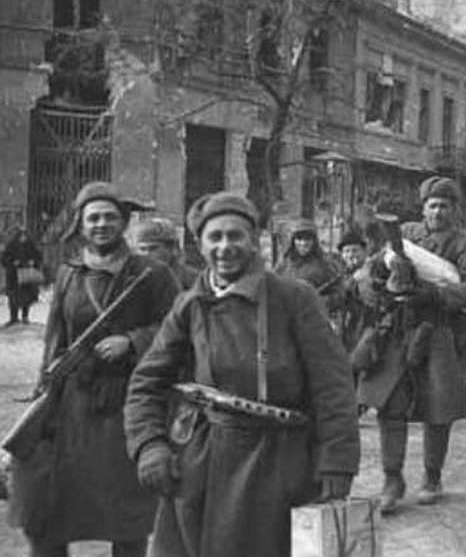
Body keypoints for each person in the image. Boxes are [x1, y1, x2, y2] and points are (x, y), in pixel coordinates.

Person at [124, 192, 361, 557]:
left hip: (279, 461)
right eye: (214, 237)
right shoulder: (191, 304)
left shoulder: (294, 297)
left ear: (254, 241)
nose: (225, 247)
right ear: (199, 246)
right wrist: (150, 445)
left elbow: (334, 387)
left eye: (236, 236)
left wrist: (336, 461)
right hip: (203, 459)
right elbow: (146, 382)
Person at [8, 182, 179, 557]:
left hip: (127, 404)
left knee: (126, 510)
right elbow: (56, 336)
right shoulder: (70, 273)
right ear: (81, 225)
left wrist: (132, 341)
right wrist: (44, 390)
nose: (102, 224)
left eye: (110, 217)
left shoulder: (152, 274)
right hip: (72, 403)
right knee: (50, 504)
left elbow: (176, 330)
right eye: (93, 218)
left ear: (123, 223)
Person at [353, 176, 466, 515]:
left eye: (445, 205)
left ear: (454, 209)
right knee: (389, 405)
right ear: (423, 207)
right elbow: (371, 270)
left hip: (437, 330)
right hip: (397, 328)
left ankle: (432, 476)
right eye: (432, 205)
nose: (438, 211)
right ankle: (392, 478)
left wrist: (435, 294)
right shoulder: (407, 234)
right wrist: (377, 286)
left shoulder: (463, 243)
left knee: (438, 407)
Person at [129, 217, 199, 291]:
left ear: (172, 248)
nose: (146, 254)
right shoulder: (131, 281)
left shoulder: (194, 281)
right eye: (142, 249)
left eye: (153, 249)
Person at [2, 226, 44, 326]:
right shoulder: (11, 245)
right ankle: (13, 318)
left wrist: (33, 262)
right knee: (13, 297)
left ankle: (25, 317)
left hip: (26, 276)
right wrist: (12, 262)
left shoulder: (31, 245)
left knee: (26, 297)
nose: (23, 238)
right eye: (21, 235)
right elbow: (4, 258)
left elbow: (39, 256)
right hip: (14, 276)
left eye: (25, 235)